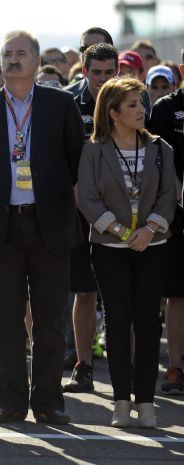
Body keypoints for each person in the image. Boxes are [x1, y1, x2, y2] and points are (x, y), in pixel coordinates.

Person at [0, 30, 84, 425]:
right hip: (1, 227)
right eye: (6, 54)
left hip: (49, 225)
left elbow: (75, 160)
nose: (13, 60)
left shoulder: (60, 104)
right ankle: (9, 403)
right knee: (5, 322)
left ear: (35, 61)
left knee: (50, 321)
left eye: (21, 54)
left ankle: (49, 403)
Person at [78, 77, 175, 428]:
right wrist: (121, 231)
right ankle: (120, 402)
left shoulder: (161, 149)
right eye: (133, 105)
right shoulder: (93, 150)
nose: (141, 111)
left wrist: (148, 230)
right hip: (109, 248)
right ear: (113, 112)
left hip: (153, 246)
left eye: (142, 103)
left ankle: (146, 403)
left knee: (149, 323)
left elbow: (169, 196)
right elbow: (87, 198)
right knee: (118, 324)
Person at [63, 42, 119, 393]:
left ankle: (124, 370)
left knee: (120, 296)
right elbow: (63, 162)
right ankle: (82, 366)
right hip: (79, 214)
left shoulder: (132, 99)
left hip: (122, 215)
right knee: (83, 293)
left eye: (108, 72)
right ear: (84, 71)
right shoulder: (68, 102)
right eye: (95, 72)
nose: (101, 79)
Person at [149, 49, 184, 395]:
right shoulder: (164, 110)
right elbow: (154, 165)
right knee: (176, 297)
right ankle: (174, 367)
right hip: (174, 217)